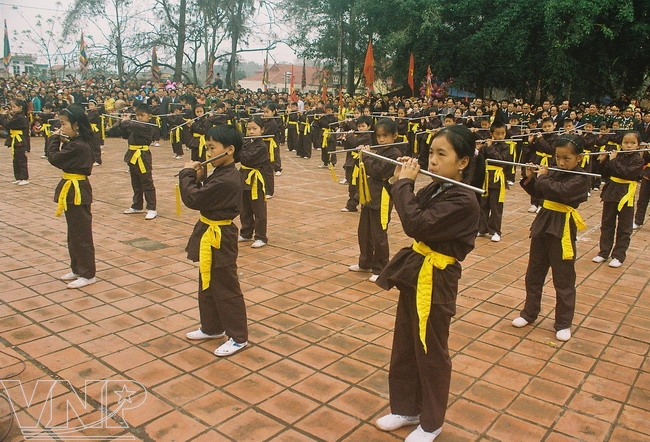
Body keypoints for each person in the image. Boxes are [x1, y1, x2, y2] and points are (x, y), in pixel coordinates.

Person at [374, 124, 482, 442]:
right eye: (431, 153)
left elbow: (415, 223)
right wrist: (403, 184)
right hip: (416, 271)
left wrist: (404, 184)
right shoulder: (437, 188)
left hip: (437, 278)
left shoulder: (464, 201)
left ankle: (432, 422)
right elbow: (415, 213)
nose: (432, 161)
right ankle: (407, 407)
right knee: (405, 342)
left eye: (441, 154)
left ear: (462, 162)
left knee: (431, 350)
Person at [511, 134, 590, 342]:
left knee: (563, 277)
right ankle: (529, 312)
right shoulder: (552, 172)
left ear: (579, 158)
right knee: (534, 272)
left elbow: (561, 192)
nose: (561, 163)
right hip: (543, 222)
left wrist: (543, 177)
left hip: (562, 225)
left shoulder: (582, 177)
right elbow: (539, 193)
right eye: (558, 157)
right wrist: (531, 176)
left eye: (567, 159)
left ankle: (563, 322)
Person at [179, 124, 249, 357]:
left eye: (211, 148)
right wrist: (200, 176)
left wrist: (187, 175)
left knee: (226, 286)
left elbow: (194, 198)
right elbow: (206, 194)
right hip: (210, 231)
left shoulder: (228, 178)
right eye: (207, 148)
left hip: (221, 236)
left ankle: (238, 337)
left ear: (229, 150)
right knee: (207, 281)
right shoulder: (221, 172)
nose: (208, 154)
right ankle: (212, 327)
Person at [46, 104, 97, 289]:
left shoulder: (80, 146)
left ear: (76, 126)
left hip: (78, 189)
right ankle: (77, 268)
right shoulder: (75, 142)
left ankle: (88, 273)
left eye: (64, 124)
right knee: (73, 232)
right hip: (70, 188)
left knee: (81, 233)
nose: (61, 128)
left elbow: (54, 158)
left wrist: (53, 138)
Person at [349, 118, 403, 282]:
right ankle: (365, 262)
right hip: (369, 195)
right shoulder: (379, 150)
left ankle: (381, 268)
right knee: (364, 232)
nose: (381, 140)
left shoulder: (394, 154)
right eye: (379, 136)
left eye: (385, 136)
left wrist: (367, 156)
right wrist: (364, 154)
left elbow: (378, 171)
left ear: (394, 136)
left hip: (382, 197)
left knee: (379, 235)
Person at [592, 131, 645, 267]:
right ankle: (604, 252)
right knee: (607, 224)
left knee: (624, 227)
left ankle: (618, 255)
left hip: (625, 195)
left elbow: (626, 173)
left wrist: (614, 161)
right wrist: (603, 161)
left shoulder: (638, 160)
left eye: (632, 143)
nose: (628, 146)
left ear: (638, 145)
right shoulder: (616, 155)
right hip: (611, 192)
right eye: (625, 143)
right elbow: (604, 174)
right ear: (621, 143)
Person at [120, 103, 159, 220]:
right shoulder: (134, 125)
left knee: (147, 182)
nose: (139, 118)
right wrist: (122, 125)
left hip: (143, 156)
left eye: (142, 115)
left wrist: (127, 122)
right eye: (137, 115)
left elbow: (135, 127)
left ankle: (152, 208)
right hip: (132, 155)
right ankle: (137, 205)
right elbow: (125, 135)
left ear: (149, 116)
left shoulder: (148, 127)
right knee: (135, 181)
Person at [477, 120, 512, 242]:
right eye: (497, 134)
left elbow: (501, 161)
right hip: (486, 178)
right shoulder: (487, 145)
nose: (500, 136)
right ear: (492, 133)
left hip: (497, 179)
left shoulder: (506, 147)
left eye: (502, 133)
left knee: (496, 207)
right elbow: (481, 160)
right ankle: (482, 228)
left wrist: (491, 147)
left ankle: (496, 230)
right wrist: (479, 150)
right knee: (483, 205)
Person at [238, 117, 269, 248]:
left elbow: (247, 159)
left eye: (254, 129)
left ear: (262, 130)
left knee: (258, 209)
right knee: (244, 208)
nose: (251, 132)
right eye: (248, 129)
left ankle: (261, 236)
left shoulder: (261, 146)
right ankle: (246, 232)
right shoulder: (246, 143)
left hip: (256, 179)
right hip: (243, 177)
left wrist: (238, 148)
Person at [0, 98, 31, 185]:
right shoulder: (18, 116)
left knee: (21, 159)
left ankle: (24, 177)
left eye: (14, 107)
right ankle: (18, 177)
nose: (12, 109)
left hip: (20, 140)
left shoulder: (21, 117)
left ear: (20, 107)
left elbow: (8, 125)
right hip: (16, 139)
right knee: (16, 159)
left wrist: (2, 116)